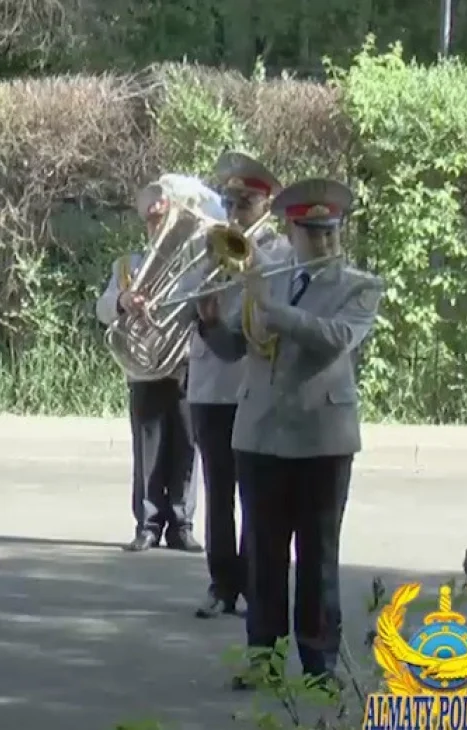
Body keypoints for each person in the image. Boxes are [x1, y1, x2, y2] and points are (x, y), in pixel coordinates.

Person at [195, 178, 383, 689]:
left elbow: (336, 339)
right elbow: (240, 347)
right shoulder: (267, 274)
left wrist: (276, 312)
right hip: (260, 435)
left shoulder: (359, 285)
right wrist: (211, 324)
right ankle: (265, 663)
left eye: (329, 232)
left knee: (319, 556)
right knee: (263, 555)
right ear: (292, 231)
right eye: (310, 233)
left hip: (322, 439)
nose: (321, 243)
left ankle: (320, 667)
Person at [191, 152, 290, 619]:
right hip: (210, 386)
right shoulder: (210, 245)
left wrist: (249, 262)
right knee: (217, 493)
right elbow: (193, 298)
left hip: (253, 387)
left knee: (256, 494)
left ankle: (253, 583)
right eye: (230, 203)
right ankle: (221, 583)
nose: (234, 213)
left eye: (245, 203)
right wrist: (204, 310)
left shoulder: (282, 255)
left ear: (266, 206)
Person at [95, 182, 200, 553]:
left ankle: (182, 524)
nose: (162, 228)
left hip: (185, 363)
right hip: (145, 366)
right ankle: (148, 524)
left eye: (167, 220)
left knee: (187, 446)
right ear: (147, 224)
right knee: (148, 450)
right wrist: (124, 300)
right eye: (156, 221)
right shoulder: (127, 266)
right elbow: (103, 309)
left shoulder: (193, 264)